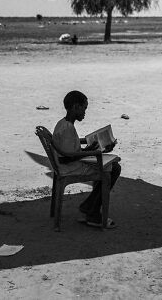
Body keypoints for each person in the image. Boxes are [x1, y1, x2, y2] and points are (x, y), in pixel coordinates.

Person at [51, 90, 121, 228]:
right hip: (70, 167)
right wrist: (92, 151)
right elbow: (67, 158)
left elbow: (70, 149)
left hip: (69, 163)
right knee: (114, 169)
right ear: (76, 106)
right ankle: (93, 212)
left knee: (110, 166)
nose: (85, 112)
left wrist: (96, 148)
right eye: (84, 108)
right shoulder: (67, 129)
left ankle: (90, 206)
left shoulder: (63, 124)